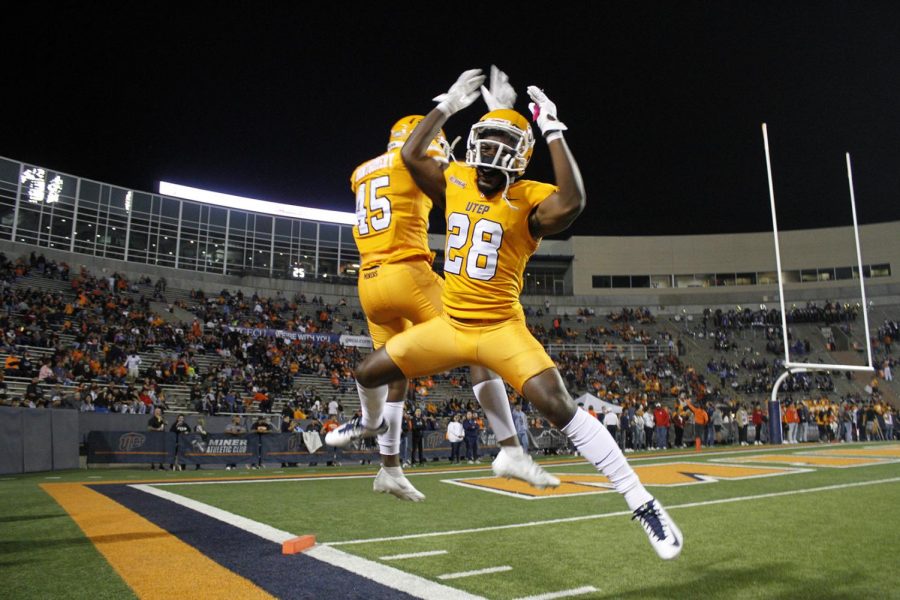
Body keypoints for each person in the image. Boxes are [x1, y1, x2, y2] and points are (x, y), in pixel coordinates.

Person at [328, 68, 681, 559]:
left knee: (559, 407)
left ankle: (642, 501)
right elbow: (411, 155)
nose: (489, 159)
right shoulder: (456, 181)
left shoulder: (528, 198)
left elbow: (573, 200)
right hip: (450, 325)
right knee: (368, 371)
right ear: (472, 148)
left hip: (499, 328)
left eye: (502, 151)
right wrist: (449, 107)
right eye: (484, 147)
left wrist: (553, 130)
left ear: (518, 160)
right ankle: (370, 426)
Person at [327, 70, 559, 502]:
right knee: (477, 339)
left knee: (393, 374)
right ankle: (510, 448)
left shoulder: (362, 171)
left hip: (368, 283)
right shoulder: (415, 161)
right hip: (408, 273)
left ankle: (388, 465)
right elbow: (477, 177)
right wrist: (497, 112)